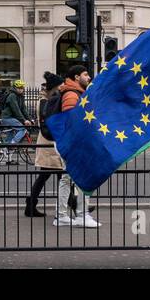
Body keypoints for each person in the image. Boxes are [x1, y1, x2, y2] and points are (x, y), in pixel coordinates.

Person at [55, 64, 99, 228]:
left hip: (70, 142)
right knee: (81, 178)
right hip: (74, 143)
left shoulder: (75, 93)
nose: (89, 78)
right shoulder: (72, 95)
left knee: (67, 179)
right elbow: (71, 121)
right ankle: (81, 215)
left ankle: (61, 216)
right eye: (86, 74)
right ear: (76, 77)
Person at [25, 72, 65, 218]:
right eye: (60, 85)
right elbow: (48, 122)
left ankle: (30, 205)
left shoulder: (47, 99)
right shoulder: (45, 102)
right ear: (54, 87)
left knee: (46, 176)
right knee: (62, 175)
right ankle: (72, 205)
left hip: (49, 141)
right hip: (49, 142)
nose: (62, 87)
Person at [0, 79, 29, 150]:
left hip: (12, 118)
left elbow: (23, 110)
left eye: (22, 88)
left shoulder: (21, 96)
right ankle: (13, 144)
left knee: (10, 137)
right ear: (15, 88)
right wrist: (24, 120)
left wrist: (29, 119)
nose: (21, 89)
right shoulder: (12, 95)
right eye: (19, 88)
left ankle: (6, 152)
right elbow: (16, 110)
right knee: (23, 129)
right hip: (7, 118)